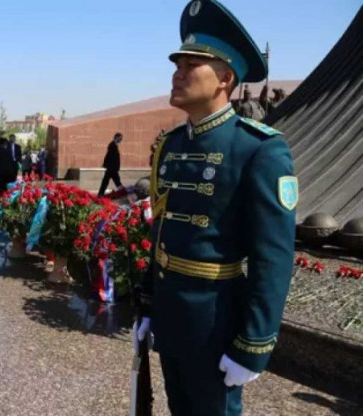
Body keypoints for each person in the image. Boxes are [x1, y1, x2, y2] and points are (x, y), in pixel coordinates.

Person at [135, 2, 297, 415]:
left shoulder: (258, 149)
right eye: (178, 64)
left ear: (225, 79)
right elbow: (162, 233)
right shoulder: (172, 145)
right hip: (171, 316)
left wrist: (254, 344)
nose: (178, 73)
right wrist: (150, 305)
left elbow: (273, 257)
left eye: (192, 65)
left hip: (215, 323)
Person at [97, 132, 124, 198]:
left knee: (111, 181)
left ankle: (101, 194)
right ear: (116, 137)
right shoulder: (112, 145)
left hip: (112, 168)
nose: (121, 140)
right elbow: (111, 157)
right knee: (113, 181)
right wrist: (113, 167)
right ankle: (122, 192)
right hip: (112, 168)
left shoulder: (114, 145)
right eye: (120, 138)